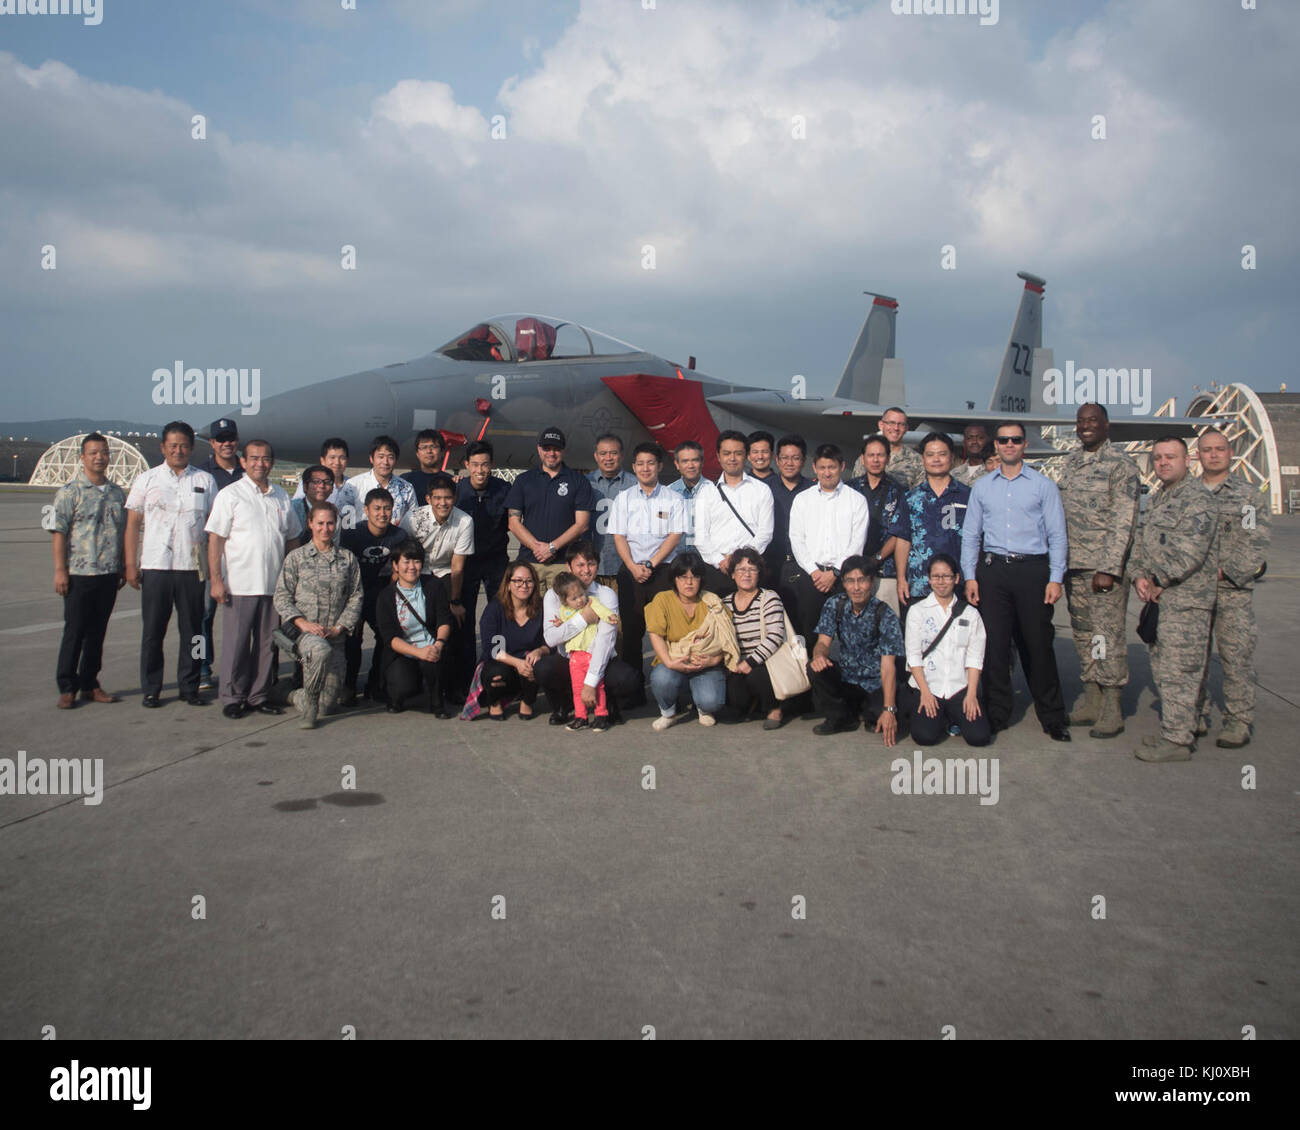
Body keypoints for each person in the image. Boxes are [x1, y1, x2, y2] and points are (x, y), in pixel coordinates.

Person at [961, 420, 1071, 742]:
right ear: (995, 445)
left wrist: (1056, 577)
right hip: (994, 571)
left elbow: (1057, 535)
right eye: (1004, 440)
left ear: (1024, 444)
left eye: (1016, 440)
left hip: (1032, 570)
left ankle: (1052, 716)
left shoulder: (1042, 486)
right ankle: (997, 713)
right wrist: (970, 575)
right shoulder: (983, 487)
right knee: (994, 646)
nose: (1009, 445)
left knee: (1037, 645)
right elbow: (971, 535)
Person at [1129, 436, 1218, 762]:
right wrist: (1138, 574)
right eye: (1158, 458)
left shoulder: (1198, 500)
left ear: (1188, 460)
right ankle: (1179, 728)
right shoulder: (1157, 499)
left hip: (1187, 601)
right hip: (1160, 601)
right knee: (1164, 669)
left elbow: (1191, 552)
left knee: (1181, 672)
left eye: (1171, 457)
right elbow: (1141, 542)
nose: (1163, 463)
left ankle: (1178, 740)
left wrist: (1157, 580)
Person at [1058, 403, 1141, 739]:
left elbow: (1125, 519)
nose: (1085, 426)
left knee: (1107, 636)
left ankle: (1112, 705)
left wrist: (1109, 567)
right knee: (1083, 634)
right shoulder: (1071, 462)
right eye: (1080, 421)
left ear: (1106, 425)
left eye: (1092, 420)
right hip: (1074, 566)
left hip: (1102, 569)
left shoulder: (1121, 464)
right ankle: (1091, 695)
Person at [205, 439, 302, 719]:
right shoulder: (230, 495)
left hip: (272, 587)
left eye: (265, 458)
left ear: (271, 462)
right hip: (239, 585)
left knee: (266, 646)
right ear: (243, 462)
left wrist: (290, 578)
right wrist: (216, 580)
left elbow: (292, 537)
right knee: (236, 645)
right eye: (254, 458)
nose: (260, 463)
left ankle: (258, 695)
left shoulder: (281, 497)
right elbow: (216, 540)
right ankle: (232, 696)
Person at [124, 421, 218, 708]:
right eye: (173, 445)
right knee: (153, 631)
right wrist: (130, 563)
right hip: (156, 566)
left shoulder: (205, 481)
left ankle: (189, 687)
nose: (178, 450)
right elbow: (132, 525)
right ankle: (152, 688)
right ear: (163, 447)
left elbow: (214, 528)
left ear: (192, 448)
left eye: (184, 446)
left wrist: (214, 570)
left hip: (192, 569)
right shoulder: (147, 479)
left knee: (193, 632)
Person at [1195, 429, 1271, 749]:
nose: (1214, 455)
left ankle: (1238, 719)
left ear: (1230, 453)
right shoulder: (1187, 493)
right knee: (1192, 657)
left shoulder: (1248, 496)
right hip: (1194, 591)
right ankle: (1193, 713)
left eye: (1220, 449)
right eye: (1207, 450)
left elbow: (1256, 542)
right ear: (1198, 454)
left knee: (1235, 656)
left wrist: (1226, 571)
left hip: (1232, 590)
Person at [51, 432, 127, 709]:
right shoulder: (68, 493)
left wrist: (122, 565)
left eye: (104, 452)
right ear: (82, 457)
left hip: (107, 574)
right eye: (93, 452)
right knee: (75, 631)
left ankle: (90, 683)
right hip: (79, 573)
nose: (99, 457)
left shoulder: (117, 493)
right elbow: (58, 533)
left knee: (98, 632)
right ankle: (67, 686)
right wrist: (60, 570)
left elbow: (122, 532)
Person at [274, 501, 362, 729]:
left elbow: (356, 596)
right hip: (305, 635)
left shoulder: (347, 559)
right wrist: (303, 623)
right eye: (320, 523)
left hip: (335, 637)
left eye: (330, 523)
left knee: (329, 705)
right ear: (310, 523)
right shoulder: (296, 558)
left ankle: (291, 694)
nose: (326, 528)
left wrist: (339, 628)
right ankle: (310, 703)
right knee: (319, 650)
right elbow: (282, 596)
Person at [536, 541, 643, 728]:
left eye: (591, 564)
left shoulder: (606, 594)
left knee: (627, 678)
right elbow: (551, 638)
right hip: (569, 659)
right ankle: (564, 705)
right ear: (569, 566)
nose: (586, 570)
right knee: (543, 668)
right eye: (580, 565)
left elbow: (605, 641)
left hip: (598, 658)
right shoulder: (554, 595)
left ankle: (608, 704)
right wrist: (583, 619)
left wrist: (590, 683)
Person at [609, 442, 685, 695]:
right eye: (640, 463)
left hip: (662, 571)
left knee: (667, 630)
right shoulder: (624, 498)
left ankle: (669, 688)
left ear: (659, 466)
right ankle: (633, 691)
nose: (645, 468)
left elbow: (675, 535)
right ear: (633, 467)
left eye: (650, 463)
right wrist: (632, 566)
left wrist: (651, 564)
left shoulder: (673, 498)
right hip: (631, 571)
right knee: (631, 633)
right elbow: (618, 536)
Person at [807, 556, 904, 744]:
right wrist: (818, 656)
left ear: (871, 581)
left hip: (875, 682)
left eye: (862, 580)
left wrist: (889, 709)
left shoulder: (884, 614)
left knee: (877, 718)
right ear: (843, 583)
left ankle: (868, 711)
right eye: (850, 581)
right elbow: (823, 643)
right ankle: (840, 718)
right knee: (814, 666)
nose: (856, 587)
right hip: (847, 677)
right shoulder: (835, 604)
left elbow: (888, 666)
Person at [644, 551, 739, 729]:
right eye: (683, 577)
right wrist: (670, 663)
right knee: (662, 678)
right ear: (674, 579)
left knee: (711, 702)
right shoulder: (662, 599)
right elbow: (655, 634)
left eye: (694, 577)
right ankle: (669, 712)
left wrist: (714, 660)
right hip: (674, 658)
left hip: (706, 663)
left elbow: (725, 639)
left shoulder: (711, 601)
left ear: (701, 579)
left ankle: (703, 708)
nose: (689, 582)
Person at [785, 443, 869, 645]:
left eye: (831, 467)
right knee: (810, 634)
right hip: (811, 577)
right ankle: (812, 676)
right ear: (814, 468)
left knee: (846, 635)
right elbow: (796, 539)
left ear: (841, 466)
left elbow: (857, 543)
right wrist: (814, 572)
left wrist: (835, 572)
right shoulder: (802, 499)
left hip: (844, 579)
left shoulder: (856, 500)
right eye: (822, 468)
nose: (827, 473)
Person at [905, 553, 990, 747]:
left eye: (946, 576)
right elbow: (914, 656)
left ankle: (953, 717)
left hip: (959, 686)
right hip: (929, 685)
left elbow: (975, 657)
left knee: (979, 737)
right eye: (936, 576)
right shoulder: (918, 611)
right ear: (929, 579)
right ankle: (942, 718)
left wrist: (971, 694)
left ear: (956, 578)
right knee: (924, 736)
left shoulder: (970, 613)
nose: (941, 582)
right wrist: (925, 693)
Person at [506, 426, 595, 591]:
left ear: (564, 450)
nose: (551, 453)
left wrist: (552, 547)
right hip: (530, 562)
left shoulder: (578, 481)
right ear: (539, 449)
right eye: (547, 448)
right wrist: (538, 548)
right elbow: (513, 522)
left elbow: (582, 524)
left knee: (564, 615)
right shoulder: (524, 480)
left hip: (564, 564)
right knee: (529, 615)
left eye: (556, 449)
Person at [340, 487, 405, 705]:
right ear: (366, 510)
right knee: (352, 639)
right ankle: (348, 685)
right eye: (377, 509)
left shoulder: (399, 536)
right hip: (356, 592)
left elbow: (398, 572)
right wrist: (352, 606)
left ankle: (376, 683)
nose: (382, 514)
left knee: (387, 638)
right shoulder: (352, 534)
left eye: (387, 508)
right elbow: (345, 571)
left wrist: (390, 603)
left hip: (383, 593)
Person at [895, 432, 970, 620]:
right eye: (930, 455)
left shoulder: (968, 496)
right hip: (919, 584)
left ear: (952, 457)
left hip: (958, 584)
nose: (936, 459)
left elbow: (975, 540)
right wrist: (901, 578)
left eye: (942, 454)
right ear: (923, 459)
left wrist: (972, 579)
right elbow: (903, 540)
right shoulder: (911, 499)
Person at [377, 539, 454, 715]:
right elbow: (390, 638)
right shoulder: (386, 596)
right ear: (395, 565)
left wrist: (438, 644)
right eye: (406, 561)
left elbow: (444, 620)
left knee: (434, 661)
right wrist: (419, 653)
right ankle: (399, 695)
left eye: (417, 561)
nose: (412, 567)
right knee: (403, 685)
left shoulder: (433, 586)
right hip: (403, 652)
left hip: (431, 646)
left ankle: (437, 702)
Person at [693, 431, 774, 597]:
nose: (732, 458)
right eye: (727, 453)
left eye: (738, 453)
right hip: (717, 570)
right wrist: (720, 561)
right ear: (718, 456)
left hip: (750, 570)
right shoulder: (707, 492)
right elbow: (701, 536)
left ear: (746, 456)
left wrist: (740, 560)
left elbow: (765, 533)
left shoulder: (762, 490)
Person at [455, 440, 512, 676]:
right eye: (475, 465)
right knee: (463, 619)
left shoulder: (504, 489)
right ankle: (466, 675)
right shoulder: (457, 491)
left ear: (492, 465)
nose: (480, 470)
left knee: (500, 614)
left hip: (496, 560)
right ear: (467, 465)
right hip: (466, 562)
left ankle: (498, 669)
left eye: (485, 465)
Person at [196, 417, 244, 691]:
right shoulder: (201, 474)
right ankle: (201, 667)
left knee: (239, 617)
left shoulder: (247, 471)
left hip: (240, 555)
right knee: (203, 615)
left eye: (231, 438)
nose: (226, 444)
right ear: (212, 442)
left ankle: (236, 669)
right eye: (221, 439)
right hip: (212, 553)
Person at [472, 561, 549, 721]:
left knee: (536, 664)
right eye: (518, 581)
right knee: (496, 674)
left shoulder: (541, 608)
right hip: (502, 660)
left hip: (528, 661)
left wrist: (540, 650)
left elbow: (550, 641)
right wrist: (516, 663)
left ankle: (527, 701)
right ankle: (494, 701)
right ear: (508, 584)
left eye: (529, 581)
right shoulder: (495, 609)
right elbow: (492, 648)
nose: (524, 585)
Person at [722, 547, 788, 729]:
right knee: (733, 699)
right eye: (741, 569)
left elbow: (775, 636)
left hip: (765, 662)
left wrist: (750, 662)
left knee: (756, 676)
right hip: (738, 663)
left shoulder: (769, 598)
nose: (746, 574)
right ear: (733, 574)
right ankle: (753, 705)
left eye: (752, 569)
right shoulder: (725, 603)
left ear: (759, 574)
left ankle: (775, 708)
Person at [849, 433, 907, 617]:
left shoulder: (898, 491)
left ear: (888, 458)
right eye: (871, 455)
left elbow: (898, 532)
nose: (875, 460)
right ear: (862, 458)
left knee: (886, 625)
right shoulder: (849, 489)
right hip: (852, 571)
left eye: (880, 455)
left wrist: (876, 558)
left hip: (885, 572)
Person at [552, 571, 617, 731]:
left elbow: (603, 611)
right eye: (574, 598)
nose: (580, 600)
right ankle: (581, 717)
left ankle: (601, 714)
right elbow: (565, 624)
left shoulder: (592, 602)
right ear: (565, 600)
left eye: (581, 594)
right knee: (577, 688)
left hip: (591, 653)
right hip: (574, 656)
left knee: (597, 686)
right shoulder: (564, 610)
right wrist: (559, 623)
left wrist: (610, 616)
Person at [586, 433, 637, 589]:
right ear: (596, 456)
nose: (608, 458)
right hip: (591, 567)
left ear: (621, 455)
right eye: (603, 453)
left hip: (625, 566)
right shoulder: (585, 484)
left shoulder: (635, 484)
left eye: (613, 453)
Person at [763, 434, 813, 587]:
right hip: (770, 565)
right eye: (785, 458)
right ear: (777, 460)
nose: (789, 463)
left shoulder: (813, 490)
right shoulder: (764, 488)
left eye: (795, 458)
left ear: (804, 461)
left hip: (804, 565)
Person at [292, 437, 361, 531]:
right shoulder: (309, 484)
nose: (337, 463)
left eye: (342, 458)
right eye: (332, 458)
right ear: (322, 460)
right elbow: (298, 512)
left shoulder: (353, 486)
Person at [347, 436, 417, 526]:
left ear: (396, 460)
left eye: (390, 457)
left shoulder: (407, 488)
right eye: (381, 457)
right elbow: (346, 524)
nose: (385, 462)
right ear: (371, 459)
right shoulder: (353, 485)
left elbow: (414, 521)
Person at [667, 440, 706, 551]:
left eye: (695, 460)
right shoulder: (666, 494)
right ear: (677, 464)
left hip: (706, 560)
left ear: (702, 462)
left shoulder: (715, 492)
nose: (690, 466)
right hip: (675, 558)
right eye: (685, 461)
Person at [879, 406, 925, 489]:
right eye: (891, 423)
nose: (896, 428)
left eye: (901, 424)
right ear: (881, 425)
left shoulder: (917, 461)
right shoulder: (867, 458)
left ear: (906, 428)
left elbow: (920, 495)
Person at [401, 429, 447, 505]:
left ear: (442, 452)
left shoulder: (451, 481)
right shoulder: (405, 481)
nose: (429, 451)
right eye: (424, 447)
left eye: (433, 447)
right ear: (417, 453)